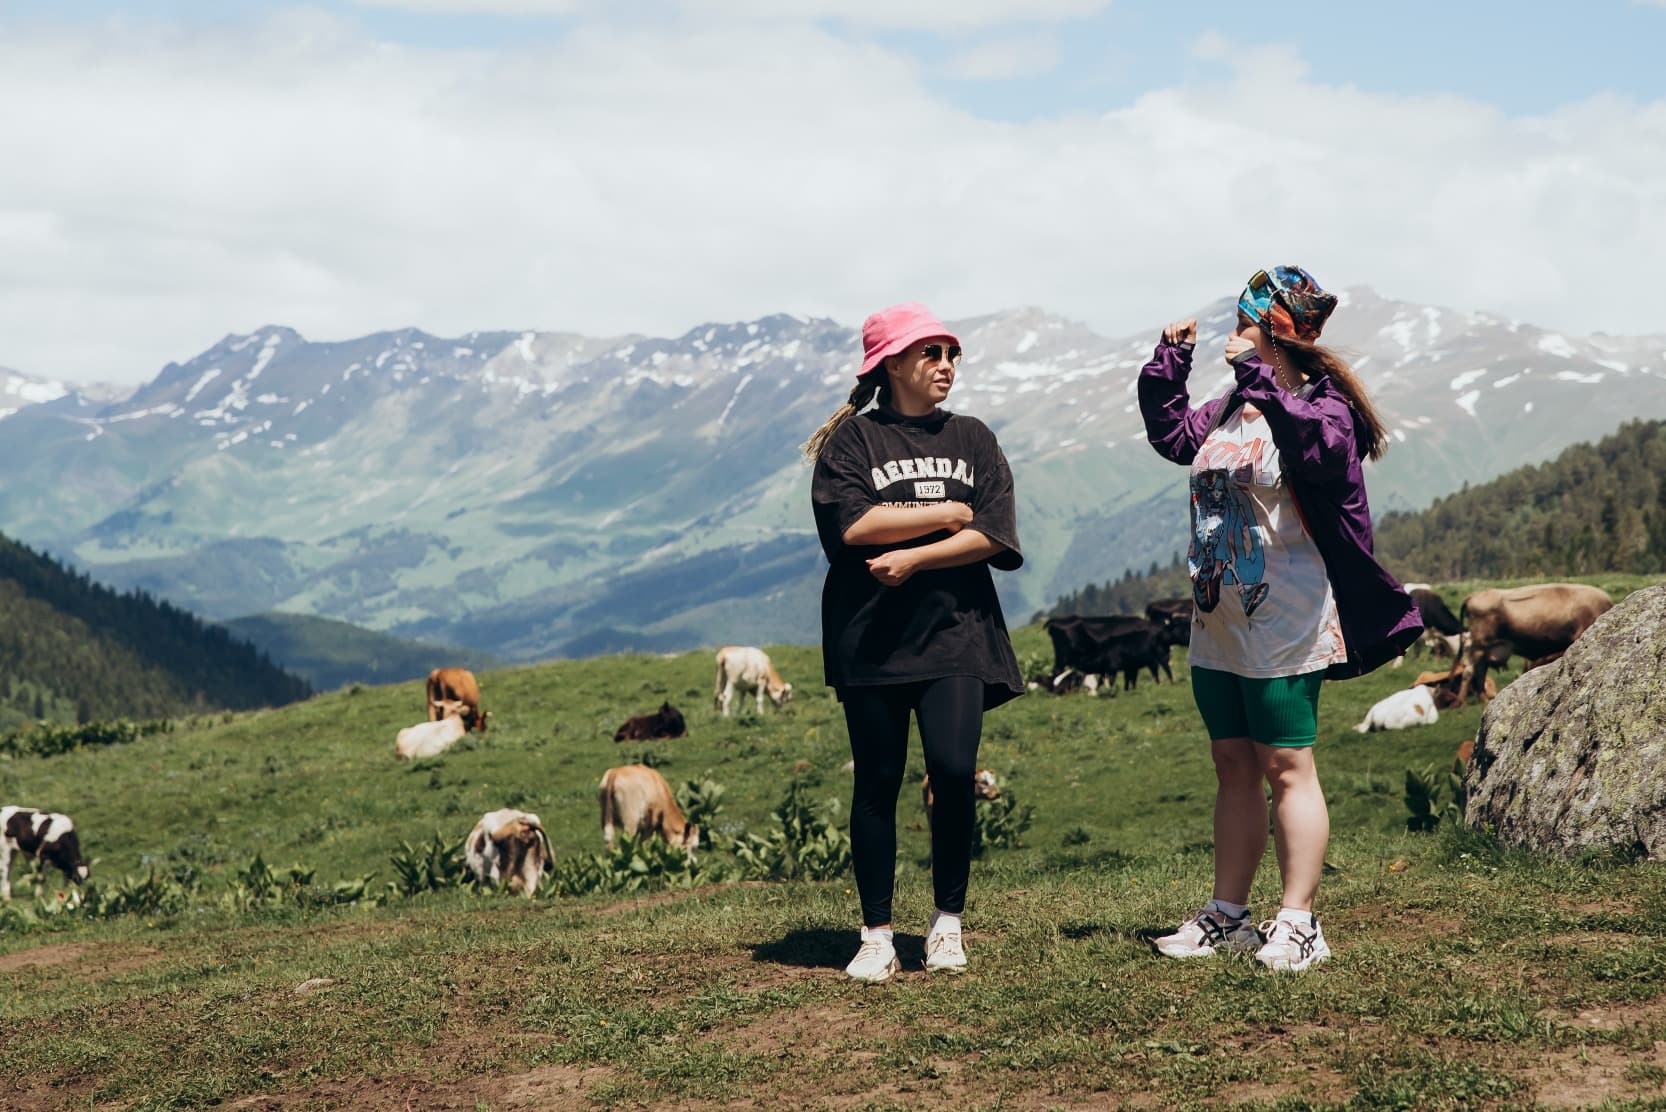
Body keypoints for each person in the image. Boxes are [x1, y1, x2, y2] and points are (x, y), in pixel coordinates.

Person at [1138, 266, 1421, 972]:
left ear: (1273, 331)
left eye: (1245, 322)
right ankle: (1228, 916)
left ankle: (1298, 922)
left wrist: (1256, 379)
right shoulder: (1235, 401)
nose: (1233, 331)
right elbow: (1175, 438)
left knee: (1286, 765)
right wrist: (1170, 366)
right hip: (1219, 616)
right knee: (1231, 761)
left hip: (1288, 615)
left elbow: (1318, 453)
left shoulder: (1324, 408)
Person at [805, 302, 1024, 983]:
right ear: (892, 365)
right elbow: (853, 528)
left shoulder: (974, 438)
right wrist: (946, 513)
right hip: (870, 639)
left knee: (954, 775)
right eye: (930, 354)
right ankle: (876, 935)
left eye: (951, 354)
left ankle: (947, 925)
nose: (945, 367)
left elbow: (996, 534)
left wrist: (917, 559)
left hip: (956, 635)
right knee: (876, 782)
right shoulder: (853, 443)